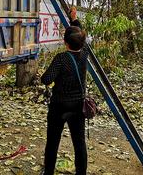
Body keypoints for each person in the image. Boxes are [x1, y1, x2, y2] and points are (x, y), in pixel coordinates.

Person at [41, 26, 87, 175]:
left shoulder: (61, 58)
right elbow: (81, 38)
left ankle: (48, 172)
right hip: (78, 105)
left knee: (53, 143)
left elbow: (46, 79)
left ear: (65, 42)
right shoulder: (85, 55)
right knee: (79, 143)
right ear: (82, 43)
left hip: (59, 106)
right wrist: (74, 20)